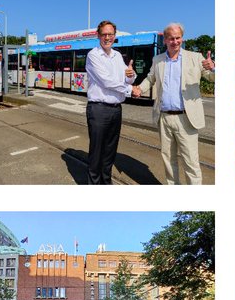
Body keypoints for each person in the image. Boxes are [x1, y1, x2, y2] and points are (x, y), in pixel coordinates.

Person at [136, 23, 215, 185]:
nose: (175, 41)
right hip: (164, 117)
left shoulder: (196, 57)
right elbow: (150, 79)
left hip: (186, 118)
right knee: (168, 159)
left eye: (178, 38)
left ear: (182, 38)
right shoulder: (158, 60)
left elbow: (212, 78)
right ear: (165, 40)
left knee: (191, 161)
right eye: (171, 38)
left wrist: (213, 68)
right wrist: (138, 89)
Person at [84, 20, 135, 185]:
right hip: (98, 110)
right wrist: (130, 90)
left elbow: (126, 78)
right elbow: (107, 81)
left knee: (110, 152)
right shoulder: (93, 55)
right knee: (97, 152)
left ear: (115, 36)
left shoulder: (117, 55)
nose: (107, 37)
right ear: (98, 35)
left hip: (115, 109)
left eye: (110, 34)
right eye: (104, 34)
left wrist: (131, 75)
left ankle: (106, 183)